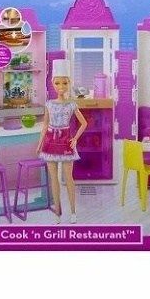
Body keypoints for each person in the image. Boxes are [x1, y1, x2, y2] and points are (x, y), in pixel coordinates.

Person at [37, 60, 87, 224]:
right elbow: (45, 125)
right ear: (53, 84)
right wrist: (39, 144)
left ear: (69, 83)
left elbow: (84, 123)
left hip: (66, 141)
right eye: (57, 83)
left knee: (69, 178)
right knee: (54, 179)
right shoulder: (49, 104)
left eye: (64, 83)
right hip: (50, 143)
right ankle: (57, 214)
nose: (61, 86)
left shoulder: (72, 104)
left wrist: (75, 139)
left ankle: (73, 212)